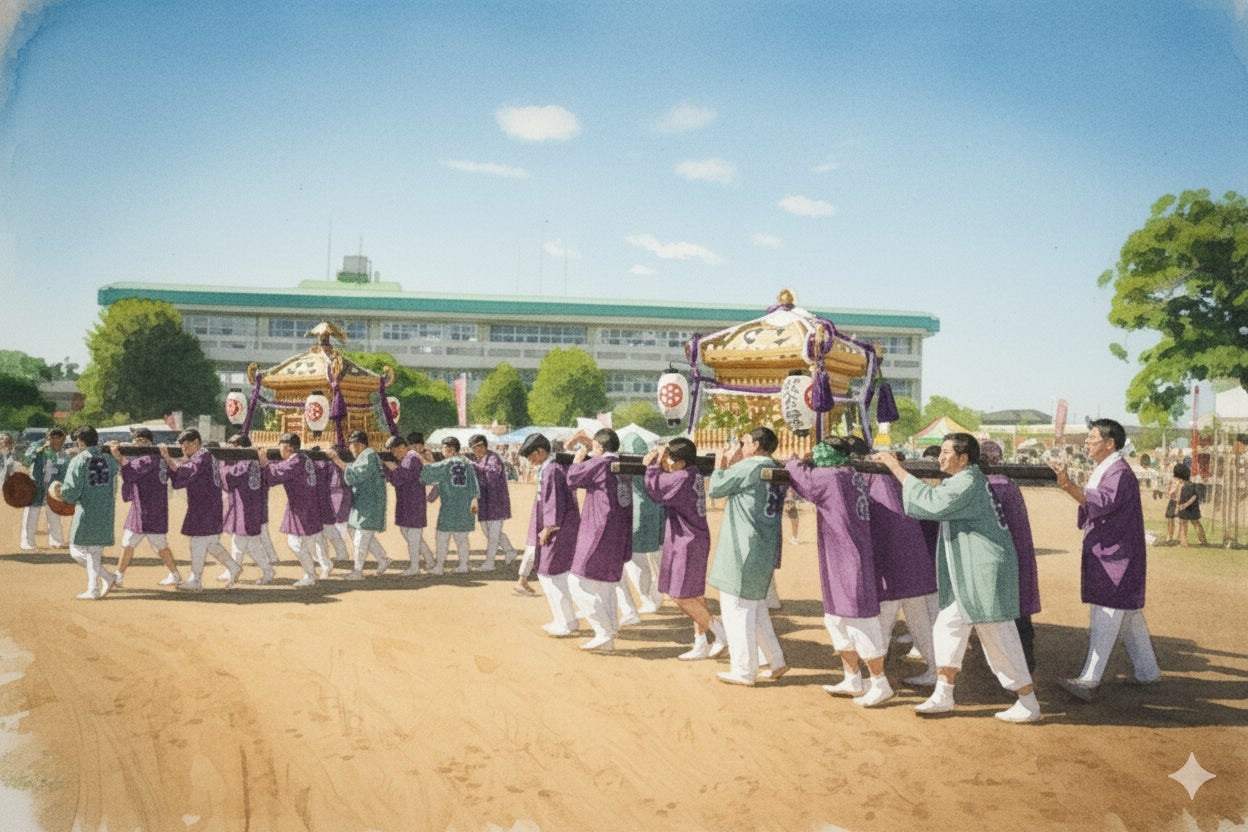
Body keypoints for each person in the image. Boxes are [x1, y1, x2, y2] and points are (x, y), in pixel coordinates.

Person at [872, 433, 1041, 723]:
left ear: (963, 459)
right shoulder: (966, 479)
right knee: (947, 628)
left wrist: (895, 467)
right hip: (972, 572)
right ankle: (943, 693)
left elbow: (931, 503)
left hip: (984, 572)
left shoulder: (967, 482)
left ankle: (1028, 701)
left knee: (1000, 639)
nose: (941, 457)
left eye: (947, 452)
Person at [1050, 419, 1161, 701]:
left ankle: (1090, 680)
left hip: (1116, 557)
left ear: (1109, 444)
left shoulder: (1118, 472)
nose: (1087, 443)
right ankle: (1148, 671)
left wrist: (1067, 485)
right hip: (1112, 552)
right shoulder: (1108, 468)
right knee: (1129, 616)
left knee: (1107, 613)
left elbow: (1099, 502)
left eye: (1092, 438)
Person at [786, 439, 893, 706]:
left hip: (847, 555)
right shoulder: (849, 474)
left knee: (859, 621)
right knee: (835, 618)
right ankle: (852, 677)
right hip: (841, 552)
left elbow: (801, 478)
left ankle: (880, 682)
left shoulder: (831, 476)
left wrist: (795, 462)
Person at [706, 427, 788, 687]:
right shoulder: (774, 467)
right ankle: (775, 660)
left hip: (743, 546)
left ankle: (743, 670)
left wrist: (721, 464)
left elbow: (715, 488)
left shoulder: (750, 466)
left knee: (736, 609)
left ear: (755, 444)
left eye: (743, 442)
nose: (741, 447)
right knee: (755, 608)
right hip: (764, 544)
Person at [565, 428, 634, 652]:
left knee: (577, 581)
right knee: (605, 585)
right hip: (618, 530)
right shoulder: (621, 466)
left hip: (598, 529)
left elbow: (572, 478)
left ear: (599, 447)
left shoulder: (600, 464)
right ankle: (609, 632)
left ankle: (603, 631)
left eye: (594, 447)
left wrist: (577, 461)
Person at [980, 440, 1041, 673]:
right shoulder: (1006, 481)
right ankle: (1022, 664)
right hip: (1016, 555)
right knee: (1019, 614)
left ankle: (1017, 669)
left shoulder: (996, 484)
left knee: (1007, 614)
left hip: (1005, 557)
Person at [160, 429, 241, 592]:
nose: (183, 449)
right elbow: (181, 479)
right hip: (204, 505)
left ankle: (195, 580)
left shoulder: (203, 456)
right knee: (210, 544)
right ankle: (233, 567)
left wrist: (168, 459)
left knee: (197, 543)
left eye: (185, 445)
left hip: (205, 506)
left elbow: (186, 471)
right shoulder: (202, 456)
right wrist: (173, 463)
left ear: (195, 443)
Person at [520, 433, 581, 635]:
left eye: (531, 456)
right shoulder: (551, 467)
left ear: (540, 451)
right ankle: (566, 620)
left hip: (558, 529)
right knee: (553, 575)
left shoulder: (552, 470)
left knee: (552, 575)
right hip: (561, 527)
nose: (530, 461)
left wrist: (548, 528)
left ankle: (566, 622)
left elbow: (554, 501)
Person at [107, 427, 182, 588]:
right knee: (151, 544)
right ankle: (174, 574)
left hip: (145, 509)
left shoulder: (148, 458)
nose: (136, 443)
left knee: (139, 544)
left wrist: (118, 456)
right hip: (154, 507)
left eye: (139, 440)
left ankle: (119, 576)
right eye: (135, 440)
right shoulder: (159, 457)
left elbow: (130, 472)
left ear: (147, 442)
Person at [58, 426, 121, 599]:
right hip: (105, 509)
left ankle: (102, 581)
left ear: (81, 442)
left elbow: (71, 491)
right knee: (95, 551)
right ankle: (95, 586)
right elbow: (115, 471)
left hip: (86, 509)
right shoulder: (108, 459)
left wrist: (61, 493)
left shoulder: (79, 460)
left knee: (76, 550)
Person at [256, 433, 323, 588]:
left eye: (280, 447)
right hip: (306, 504)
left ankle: (310, 575)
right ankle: (313, 572)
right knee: (306, 542)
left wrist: (264, 462)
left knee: (295, 543)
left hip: (302, 506)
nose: (279, 450)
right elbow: (280, 467)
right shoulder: (303, 458)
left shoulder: (296, 460)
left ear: (287, 448)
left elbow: (274, 475)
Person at [326, 431, 391, 580]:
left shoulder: (369, 455)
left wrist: (337, 459)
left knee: (360, 538)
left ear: (361, 445)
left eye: (354, 445)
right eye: (351, 445)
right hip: (363, 502)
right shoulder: (366, 456)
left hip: (370, 503)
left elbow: (355, 475)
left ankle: (357, 571)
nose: (352, 448)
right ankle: (383, 559)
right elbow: (354, 470)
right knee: (356, 531)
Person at [218, 433, 275, 585]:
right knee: (251, 545)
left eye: (233, 445)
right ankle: (267, 570)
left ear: (241, 448)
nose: (229, 448)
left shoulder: (247, 462)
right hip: (246, 506)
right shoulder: (251, 461)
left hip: (246, 508)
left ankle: (234, 571)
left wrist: (223, 461)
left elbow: (230, 478)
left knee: (239, 541)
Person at [420, 437, 480, 574]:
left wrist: (423, 458)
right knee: (462, 539)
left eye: (443, 448)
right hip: (465, 506)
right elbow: (474, 487)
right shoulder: (467, 464)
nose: (442, 451)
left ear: (450, 449)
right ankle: (463, 565)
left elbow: (426, 475)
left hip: (449, 507)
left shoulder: (445, 464)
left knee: (442, 537)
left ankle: (439, 567)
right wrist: (474, 501)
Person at [622, 432, 665, 616]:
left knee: (636, 562)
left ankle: (647, 598)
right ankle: (656, 595)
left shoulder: (626, 466)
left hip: (637, 516)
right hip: (658, 514)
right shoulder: (657, 464)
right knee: (659, 560)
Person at [384, 434, 435, 576]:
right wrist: (392, 469)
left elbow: (401, 478)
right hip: (406, 501)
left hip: (414, 501)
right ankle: (429, 559)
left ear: (402, 447)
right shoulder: (406, 459)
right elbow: (395, 479)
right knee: (407, 532)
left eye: (394, 450)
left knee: (413, 535)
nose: (393, 454)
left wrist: (394, 469)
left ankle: (415, 566)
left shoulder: (412, 458)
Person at [467, 433, 518, 571]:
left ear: (485, 446)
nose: (477, 449)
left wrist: (472, 465)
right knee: (488, 532)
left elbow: (492, 476)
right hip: (484, 502)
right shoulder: (478, 460)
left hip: (496, 502)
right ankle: (510, 551)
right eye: (474, 447)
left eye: (479, 446)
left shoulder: (493, 458)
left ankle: (490, 562)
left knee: (494, 534)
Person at [21, 428, 69, 550]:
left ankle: (56, 541)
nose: (56, 443)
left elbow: (65, 472)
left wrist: (61, 487)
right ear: (48, 439)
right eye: (53, 439)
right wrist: (37, 450)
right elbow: (25, 460)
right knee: (31, 513)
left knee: (54, 513)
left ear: (63, 440)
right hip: (36, 486)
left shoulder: (64, 455)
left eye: (59, 440)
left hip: (53, 488)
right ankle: (27, 542)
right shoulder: (37, 448)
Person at [1171, 463, 1208, 547]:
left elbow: (1194, 497)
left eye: (1177, 478)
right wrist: (1178, 505)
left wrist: (1184, 505)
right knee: (1187, 523)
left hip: (1190, 507)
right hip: (1185, 507)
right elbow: (1179, 497)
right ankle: (1184, 542)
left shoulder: (1189, 485)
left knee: (1193, 523)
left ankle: (1202, 541)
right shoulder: (1183, 485)